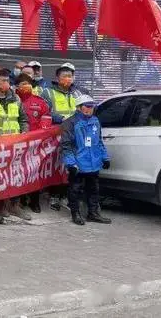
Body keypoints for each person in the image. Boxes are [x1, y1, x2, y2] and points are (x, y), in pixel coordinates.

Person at [0, 69, 31, 222]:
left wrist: (24, 135)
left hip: (16, 145)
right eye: (3, 80)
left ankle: (15, 205)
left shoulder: (16, 99)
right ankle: (0, 206)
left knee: (17, 175)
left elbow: (23, 119)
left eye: (8, 81)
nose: (6, 83)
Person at [60, 95, 111, 226]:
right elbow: (66, 146)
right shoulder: (70, 123)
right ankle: (75, 214)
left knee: (94, 189)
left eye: (92, 106)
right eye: (87, 106)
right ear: (79, 107)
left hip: (93, 163)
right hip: (78, 164)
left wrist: (105, 157)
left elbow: (99, 141)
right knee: (75, 189)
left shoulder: (95, 121)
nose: (90, 109)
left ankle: (93, 214)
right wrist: (71, 163)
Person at [15, 74, 52, 213]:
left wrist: (40, 139)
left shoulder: (39, 102)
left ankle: (34, 201)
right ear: (17, 86)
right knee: (18, 172)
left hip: (35, 144)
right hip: (17, 143)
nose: (26, 86)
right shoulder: (13, 100)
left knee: (34, 171)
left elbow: (46, 122)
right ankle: (20, 200)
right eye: (23, 84)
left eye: (28, 84)